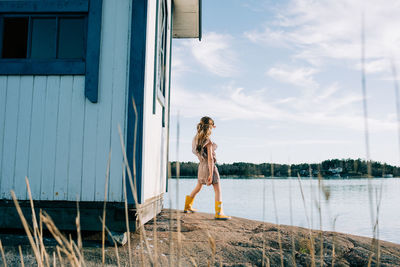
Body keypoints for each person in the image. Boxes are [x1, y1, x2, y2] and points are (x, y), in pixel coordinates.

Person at [183, 116, 231, 220]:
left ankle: (187, 206)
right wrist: (210, 173)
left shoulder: (195, 139)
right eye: (213, 126)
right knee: (218, 189)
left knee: (199, 186)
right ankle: (219, 213)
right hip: (209, 166)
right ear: (210, 127)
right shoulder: (208, 141)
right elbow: (210, 159)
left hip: (201, 166)